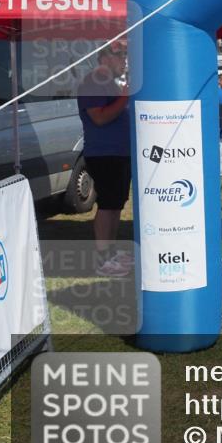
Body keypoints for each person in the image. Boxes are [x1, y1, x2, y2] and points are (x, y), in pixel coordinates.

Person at [77, 40, 132, 277]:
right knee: (108, 205)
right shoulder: (93, 81)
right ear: (105, 58)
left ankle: (111, 253)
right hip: (104, 153)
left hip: (117, 152)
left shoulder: (108, 83)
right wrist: (125, 97)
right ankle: (103, 260)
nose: (124, 62)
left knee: (116, 204)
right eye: (120, 57)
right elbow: (99, 118)